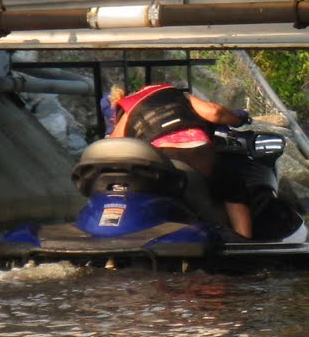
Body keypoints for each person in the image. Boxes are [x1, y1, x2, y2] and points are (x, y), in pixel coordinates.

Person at [110, 83, 256, 238]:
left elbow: (114, 144)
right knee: (232, 187)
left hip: (160, 161)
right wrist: (238, 119)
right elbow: (214, 112)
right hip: (197, 153)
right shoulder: (174, 93)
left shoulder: (130, 108)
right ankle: (243, 242)